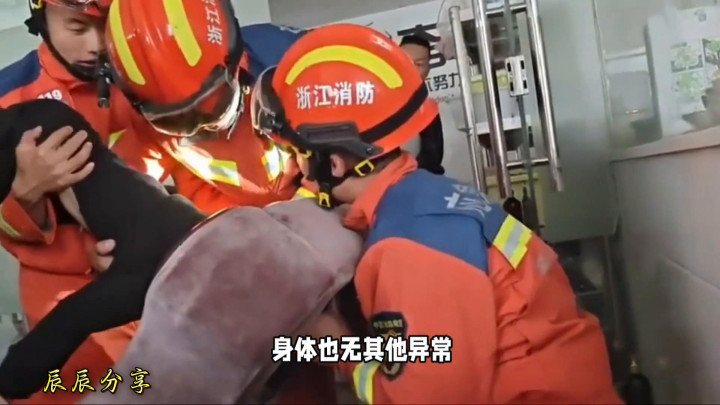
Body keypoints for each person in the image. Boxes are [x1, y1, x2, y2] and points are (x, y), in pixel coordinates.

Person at [253, 23, 623, 404]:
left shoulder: (406, 249)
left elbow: (427, 396)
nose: (293, 167)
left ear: (333, 164)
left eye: (295, 152)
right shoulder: (423, 198)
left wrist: (334, 346)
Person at [0, 1, 169, 403]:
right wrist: (27, 192)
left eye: (107, 25)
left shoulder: (152, 77)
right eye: (77, 28)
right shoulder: (9, 99)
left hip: (162, 283)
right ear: (40, 17)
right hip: (64, 299)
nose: (97, 44)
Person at [103, 0, 312, 214]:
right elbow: (120, 192)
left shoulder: (296, 66)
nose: (201, 126)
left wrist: (297, 214)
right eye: (177, 120)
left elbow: (332, 172)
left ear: (233, 63)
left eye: (210, 103)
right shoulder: (147, 118)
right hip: (232, 221)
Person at [400, 34, 446, 175]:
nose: (411, 68)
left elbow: (433, 157)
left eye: (418, 64)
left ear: (428, 70)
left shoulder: (428, 108)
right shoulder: (374, 101)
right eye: (405, 61)